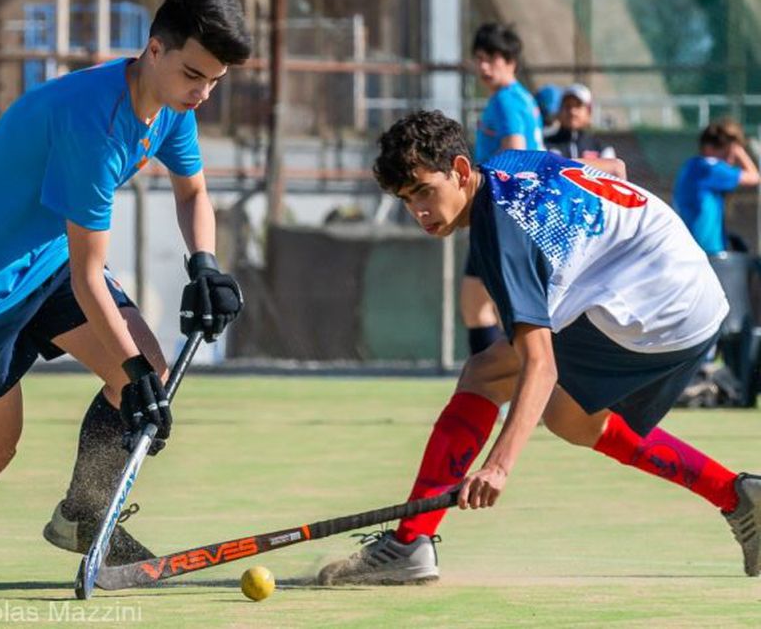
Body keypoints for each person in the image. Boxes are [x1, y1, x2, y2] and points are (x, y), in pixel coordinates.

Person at [0, 0, 251, 590]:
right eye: (195, 75)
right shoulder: (93, 126)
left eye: (215, 80)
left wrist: (205, 264)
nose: (204, 94)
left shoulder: (169, 103)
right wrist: (134, 373)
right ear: (155, 50)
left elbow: (192, 191)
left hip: (46, 257)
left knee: (147, 372)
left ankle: (84, 516)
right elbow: (89, 276)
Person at [318, 110, 761, 585]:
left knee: (486, 373)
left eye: (425, 192)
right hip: (692, 288)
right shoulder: (512, 161)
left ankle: (410, 544)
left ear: (462, 172)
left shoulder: (503, 234)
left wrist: (498, 466)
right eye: (406, 200)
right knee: (571, 419)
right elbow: (613, 173)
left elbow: (541, 365)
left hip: (661, 306)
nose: (419, 211)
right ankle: (737, 494)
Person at [464, 23, 545, 355]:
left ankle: (490, 391)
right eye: (479, 59)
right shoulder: (521, 97)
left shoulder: (505, 101)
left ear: (511, 60)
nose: (484, 66)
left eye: (492, 58)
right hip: (518, 213)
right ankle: (502, 388)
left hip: (503, 213)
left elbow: (515, 152)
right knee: (497, 309)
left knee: (478, 306)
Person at [674, 118, 760, 255]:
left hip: (695, 248)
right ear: (709, 148)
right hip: (708, 251)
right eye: (726, 154)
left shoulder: (693, 166)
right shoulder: (710, 168)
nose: (730, 161)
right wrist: (738, 150)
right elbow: (754, 177)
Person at [545, 83, 616, 160]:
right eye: (567, 106)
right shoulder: (544, 146)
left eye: (578, 106)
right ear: (559, 111)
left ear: (589, 112)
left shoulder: (602, 149)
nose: (572, 111)